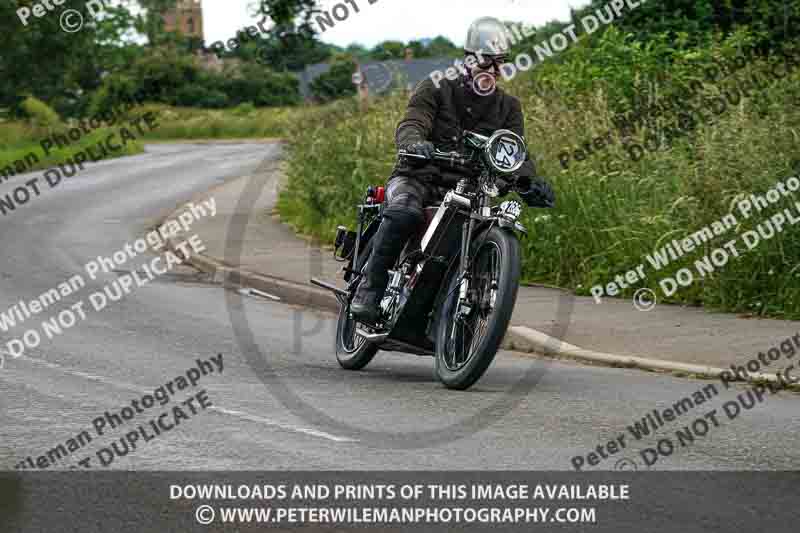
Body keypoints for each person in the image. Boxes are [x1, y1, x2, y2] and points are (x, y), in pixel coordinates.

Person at [351, 16, 555, 324]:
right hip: (418, 177)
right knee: (404, 212)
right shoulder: (435, 87)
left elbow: (514, 150)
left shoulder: (508, 107)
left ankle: (459, 313)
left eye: (500, 63)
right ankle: (370, 290)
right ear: (469, 58)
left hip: (469, 190)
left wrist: (527, 180)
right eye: (488, 61)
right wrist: (415, 143)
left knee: (478, 232)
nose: (494, 70)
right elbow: (413, 121)